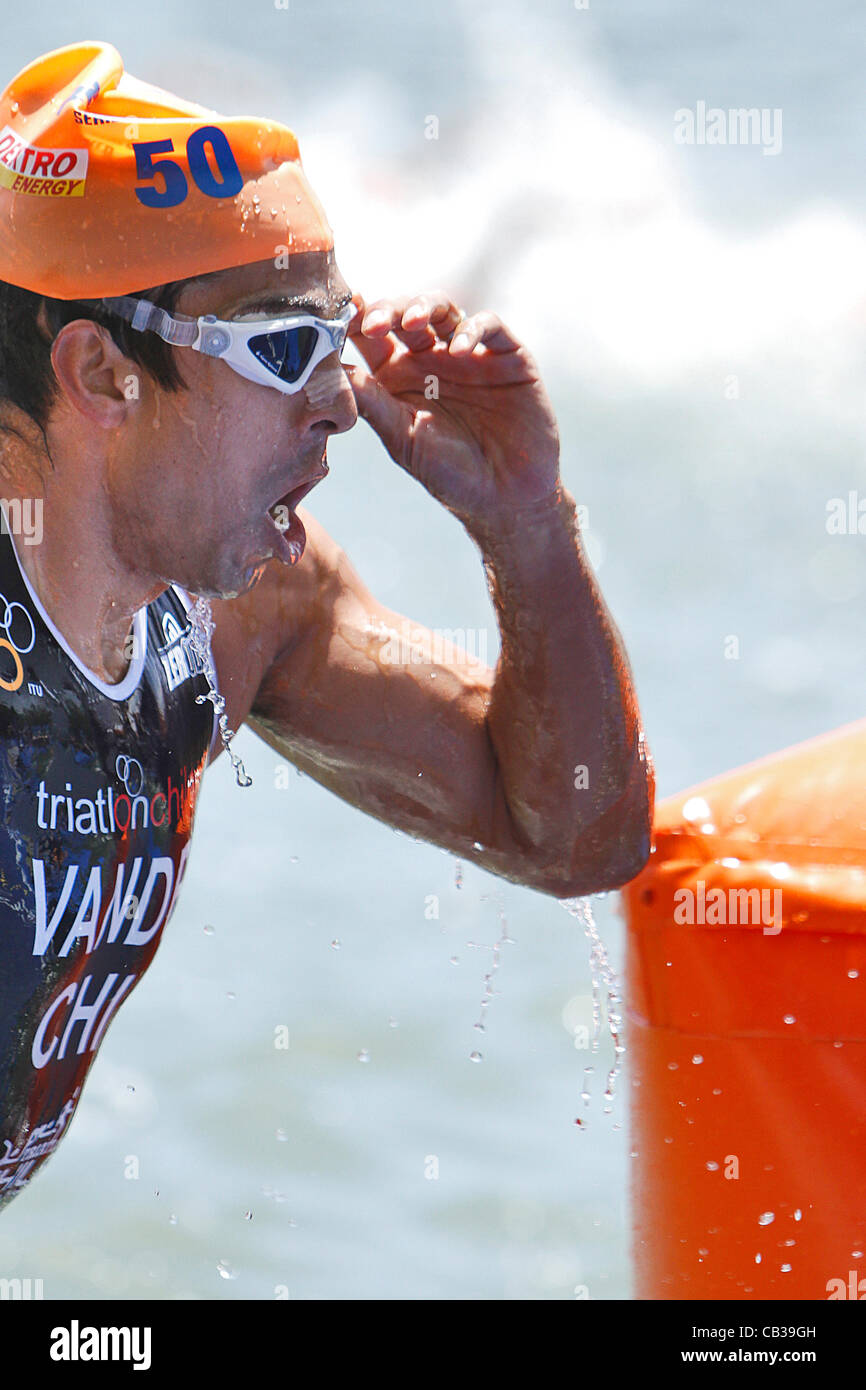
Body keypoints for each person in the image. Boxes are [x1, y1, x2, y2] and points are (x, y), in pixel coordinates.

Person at [0, 41, 653, 1209]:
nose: (345, 402)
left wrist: (525, 524)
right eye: (283, 346)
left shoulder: (244, 608)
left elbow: (572, 834)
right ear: (102, 372)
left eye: (338, 339)